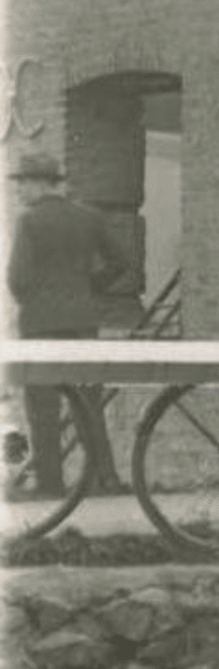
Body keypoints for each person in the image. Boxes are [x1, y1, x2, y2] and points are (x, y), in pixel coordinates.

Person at [7, 153, 131, 498]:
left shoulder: (29, 222)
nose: (20, 192)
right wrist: (89, 288)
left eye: (23, 184)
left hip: (39, 327)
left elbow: (17, 278)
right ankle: (105, 480)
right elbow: (122, 262)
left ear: (41, 184)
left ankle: (50, 485)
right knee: (88, 403)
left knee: (43, 407)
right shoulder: (88, 217)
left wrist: (35, 303)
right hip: (82, 323)